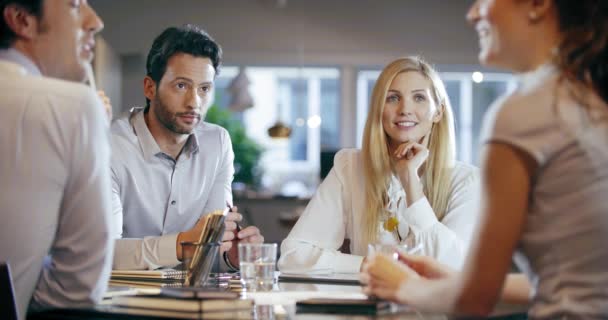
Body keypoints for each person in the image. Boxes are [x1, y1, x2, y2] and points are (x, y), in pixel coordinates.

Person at [363, 0, 608, 318]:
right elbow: (576, 281)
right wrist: (457, 280)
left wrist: (401, 286)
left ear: (537, 5)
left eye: (484, 0)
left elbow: (473, 302)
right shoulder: (588, 99)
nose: (472, 13)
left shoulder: (523, 113)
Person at [278, 56, 480, 274]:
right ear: (379, 109)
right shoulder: (350, 167)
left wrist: (410, 182)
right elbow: (293, 256)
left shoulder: (467, 181)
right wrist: (370, 266)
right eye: (393, 98)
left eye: (419, 98)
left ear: (438, 112)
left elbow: (451, 267)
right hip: (365, 305)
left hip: (433, 308)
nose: (405, 109)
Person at [110, 24, 263, 271]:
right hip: (115, 301)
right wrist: (185, 243)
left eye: (204, 89)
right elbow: (103, 253)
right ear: (150, 88)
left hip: (188, 298)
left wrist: (230, 258)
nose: (194, 102)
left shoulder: (218, 143)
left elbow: (210, 247)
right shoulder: (108, 145)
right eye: (181, 85)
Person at [0, 0, 113, 318]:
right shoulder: (74, 107)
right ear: (22, 20)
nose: (95, 21)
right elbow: (78, 287)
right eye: (76, 5)